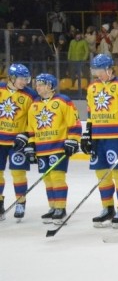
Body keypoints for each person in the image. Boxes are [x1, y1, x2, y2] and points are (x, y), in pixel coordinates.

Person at [82, 54, 118, 228]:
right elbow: (91, 114)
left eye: (99, 70)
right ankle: (107, 208)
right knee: (102, 175)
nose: (97, 74)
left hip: (116, 138)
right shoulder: (92, 87)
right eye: (95, 70)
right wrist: (87, 134)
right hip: (98, 138)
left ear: (109, 69)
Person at [17, 73, 80, 225]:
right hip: (41, 148)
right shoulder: (34, 105)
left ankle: (60, 208)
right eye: (36, 84)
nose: (37, 87)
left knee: (57, 178)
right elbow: (31, 128)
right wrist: (31, 145)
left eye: (40, 84)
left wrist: (73, 140)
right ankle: (53, 207)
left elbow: (74, 122)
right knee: (47, 179)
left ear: (50, 86)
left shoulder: (63, 101)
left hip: (58, 147)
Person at [0, 64, 37, 221]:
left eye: (26, 79)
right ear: (12, 78)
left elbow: (34, 118)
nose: (24, 82)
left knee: (18, 173)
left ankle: (20, 202)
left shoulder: (31, 95)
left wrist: (27, 135)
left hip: (18, 142)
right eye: (21, 79)